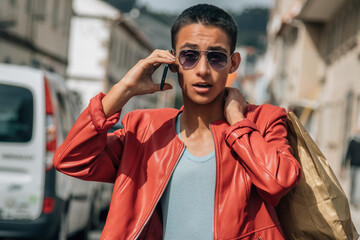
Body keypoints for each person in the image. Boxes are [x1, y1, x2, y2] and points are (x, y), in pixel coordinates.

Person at [54, 4, 301, 240]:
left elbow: (278, 182)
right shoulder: (144, 131)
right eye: (190, 56)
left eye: (216, 57)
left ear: (233, 63)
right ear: (174, 63)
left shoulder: (265, 121)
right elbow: (72, 159)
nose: (203, 69)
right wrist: (123, 90)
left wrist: (237, 121)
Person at [343, 127, 360, 208]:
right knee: (352, 182)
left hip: (359, 167)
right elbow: (348, 153)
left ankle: (355, 200)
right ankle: (351, 199)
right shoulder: (352, 142)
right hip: (352, 165)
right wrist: (344, 165)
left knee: (357, 183)